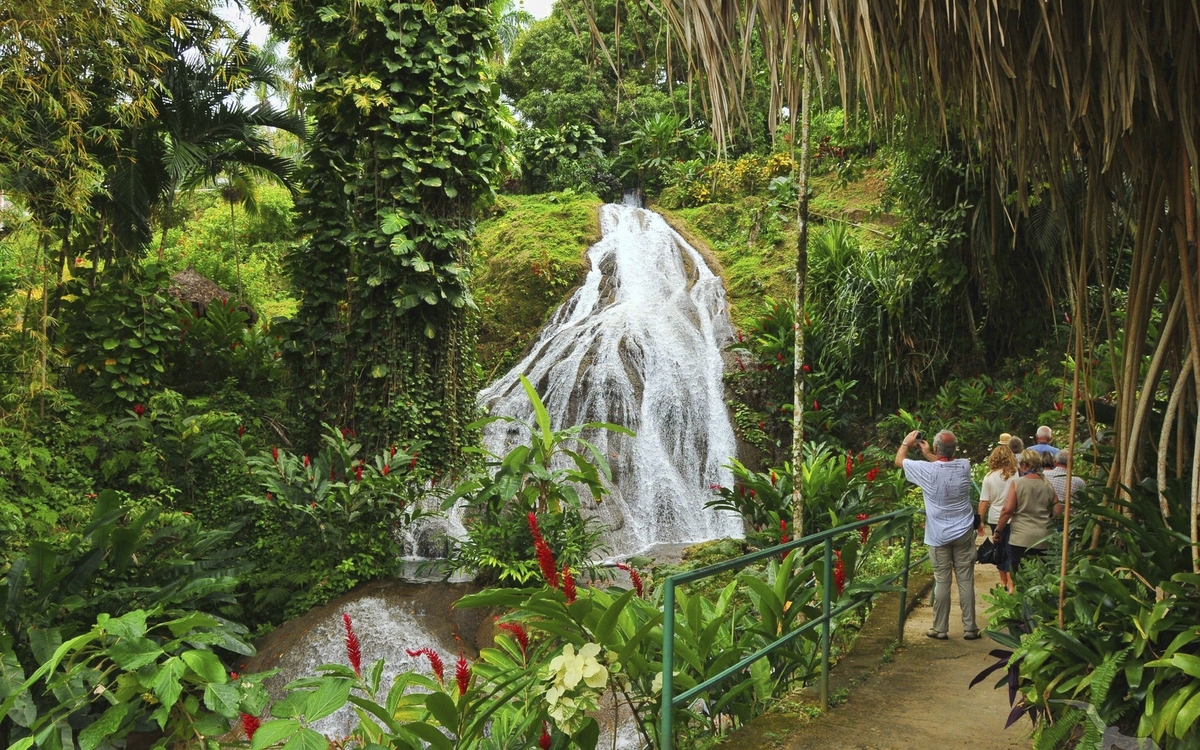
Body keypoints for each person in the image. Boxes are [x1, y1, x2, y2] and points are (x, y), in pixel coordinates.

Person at [894, 429, 978, 640]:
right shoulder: (964, 466)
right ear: (955, 448)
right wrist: (928, 453)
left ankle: (940, 629)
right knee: (965, 580)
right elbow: (945, 464)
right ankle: (970, 628)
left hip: (939, 534)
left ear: (938, 448)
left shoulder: (926, 471)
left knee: (942, 581)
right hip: (964, 531)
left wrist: (907, 442)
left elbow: (899, 460)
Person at [993, 449, 1063, 580]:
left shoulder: (1018, 483)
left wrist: (998, 531)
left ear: (1024, 465)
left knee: (1020, 578)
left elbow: (1007, 510)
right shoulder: (1047, 484)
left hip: (1021, 538)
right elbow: (1058, 512)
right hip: (1044, 538)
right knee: (1040, 578)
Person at [977, 445, 1017, 593]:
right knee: (1011, 549)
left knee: (999, 549)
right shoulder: (1017, 475)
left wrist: (979, 521)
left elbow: (984, 502)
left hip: (995, 518)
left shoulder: (989, 477)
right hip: (1013, 517)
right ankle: (1012, 582)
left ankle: (1002, 581)